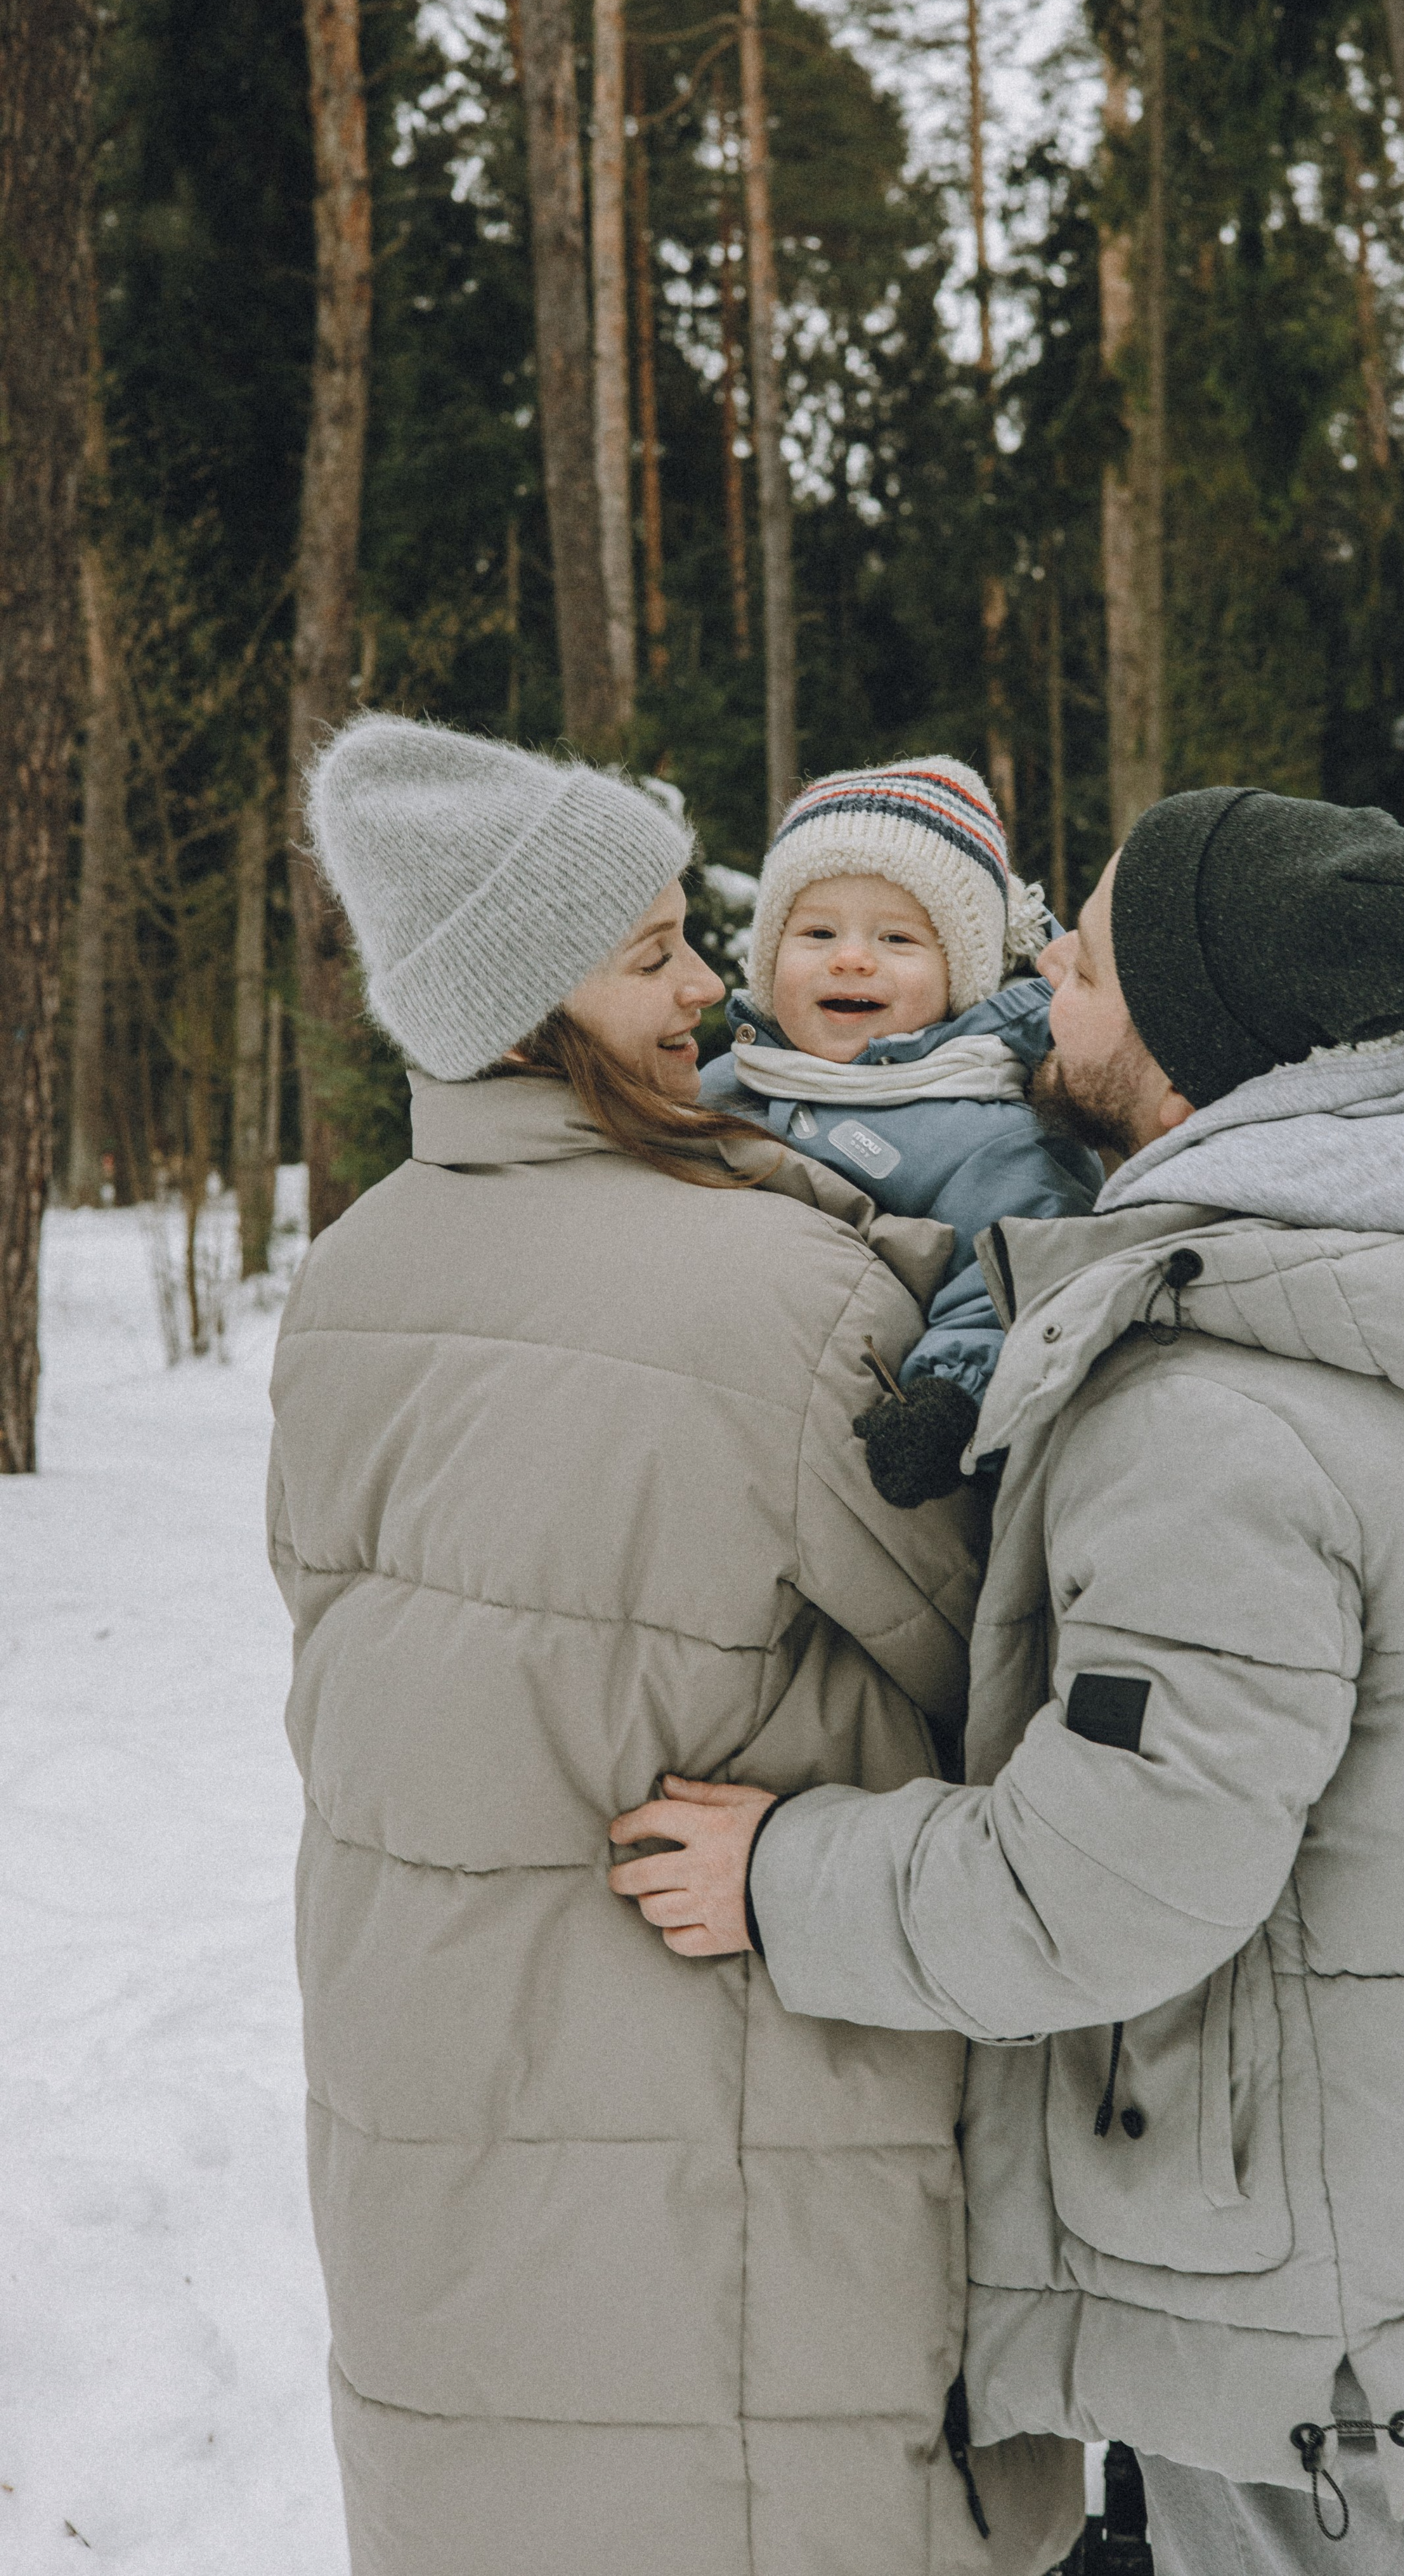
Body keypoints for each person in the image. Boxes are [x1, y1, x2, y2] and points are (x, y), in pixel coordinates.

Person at [611, 786, 1404, 2576]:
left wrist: (778, 1874)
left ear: (1194, 1046)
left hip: (1308, 2284)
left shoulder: (1211, 1416)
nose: (1045, 956)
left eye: (1092, 947)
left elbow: (1105, 1888)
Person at [266, 714, 1081, 2576]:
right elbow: (1001, 1661)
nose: (713, 989)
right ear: (527, 1007)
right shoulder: (781, 1293)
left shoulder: (355, 1274)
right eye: (652, 957)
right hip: (721, 2110)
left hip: (433, 2086)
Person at [701, 759, 1100, 1508]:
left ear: (960, 976)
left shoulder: (988, 1132)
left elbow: (1012, 1285)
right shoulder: (725, 1084)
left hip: (858, 1467)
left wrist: (951, 1397)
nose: (851, 957)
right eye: (817, 931)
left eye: (897, 938)